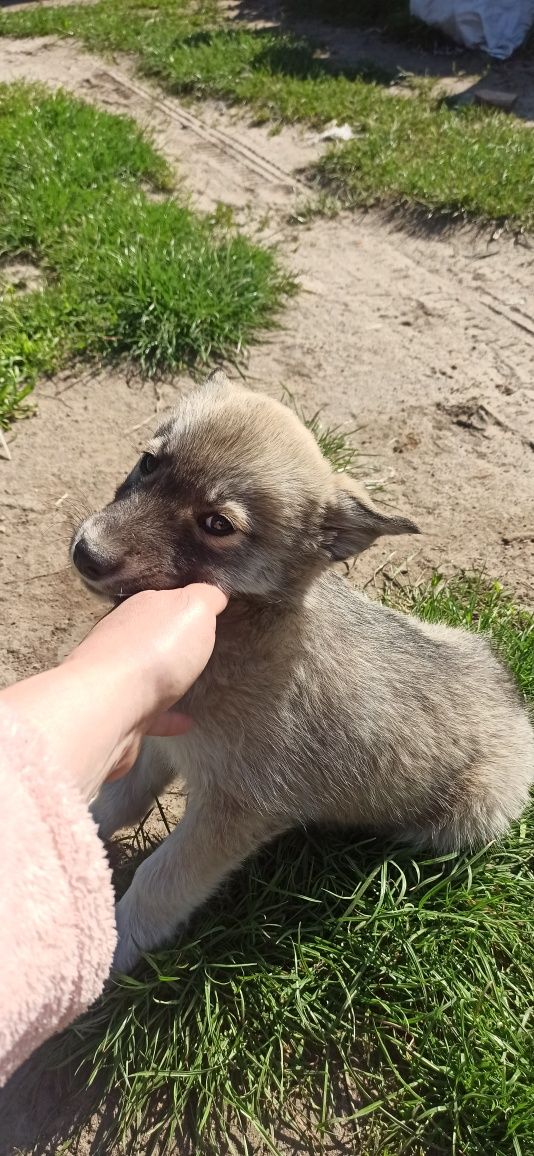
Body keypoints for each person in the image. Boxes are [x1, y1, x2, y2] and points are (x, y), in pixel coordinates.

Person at [0, 584, 227, 1087]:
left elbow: (242, 806)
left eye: (217, 525)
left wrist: (143, 916)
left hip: (438, 808)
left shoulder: (277, 682)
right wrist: (118, 688)